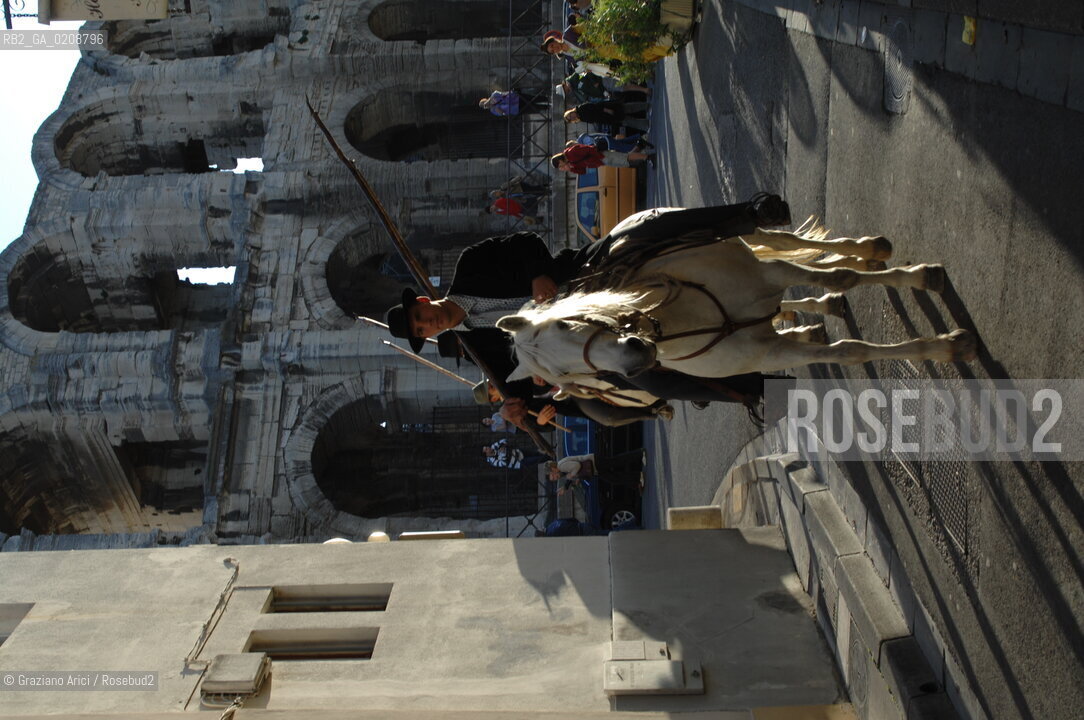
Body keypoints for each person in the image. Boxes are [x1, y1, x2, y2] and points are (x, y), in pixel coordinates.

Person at [383, 198, 792, 426]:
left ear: (423, 301)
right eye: (424, 333)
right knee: (658, 380)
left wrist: (538, 275)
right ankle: (757, 388)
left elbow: (524, 244)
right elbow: (521, 386)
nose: (430, 325)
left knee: (640, 232)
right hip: (582, 335)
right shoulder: (477, 350)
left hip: (577, 278)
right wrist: (514, 407)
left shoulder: (470, 264)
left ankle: (747, 214)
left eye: (422, 319)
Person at [551, 142, 651, 175]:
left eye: (560, 165)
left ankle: (646, 157)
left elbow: (588, 149)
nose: (562, 166)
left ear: (560, 160)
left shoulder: (571, 152)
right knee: (625, 161)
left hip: (600, 156)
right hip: (600, 161)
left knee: (625, 158)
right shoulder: (570, 161)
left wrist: (599, 157)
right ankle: (641, 146)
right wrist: (571, 169)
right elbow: (583, 171)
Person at [564, 100, 648, 134]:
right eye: (570, 118)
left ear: (571, 112)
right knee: (627, 121)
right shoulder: (582, 119)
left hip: (606, 109)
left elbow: (595, 106)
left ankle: (645, 106)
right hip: (606, 118)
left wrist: (606, 110)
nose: (572, 117)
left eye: (570, 115)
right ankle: (645, 125)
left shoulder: (581, 108)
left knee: (627, 108)